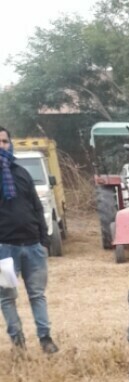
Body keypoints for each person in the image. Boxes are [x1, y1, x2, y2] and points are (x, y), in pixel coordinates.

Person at [0, 126, 58, 353]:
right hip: (4, 249)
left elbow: (36, 206)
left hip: (33, 246)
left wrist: (43, 241)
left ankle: (46, 339)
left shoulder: (22, 173)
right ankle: (18, 342)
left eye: (4, 141)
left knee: (37, 295)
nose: (1, 146)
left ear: (10, 143)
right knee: (7, 297)